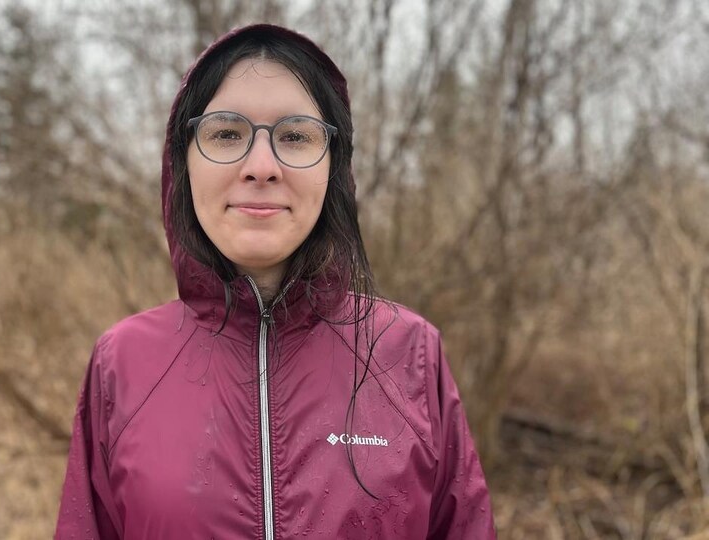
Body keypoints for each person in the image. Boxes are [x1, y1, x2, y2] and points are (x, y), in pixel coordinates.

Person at [55, 24, 496, 539]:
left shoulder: (411, 354)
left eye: (294, 135)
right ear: (183, 163)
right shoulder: (122, 362)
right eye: (225, 133)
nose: (261, 166)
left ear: (335, 166)